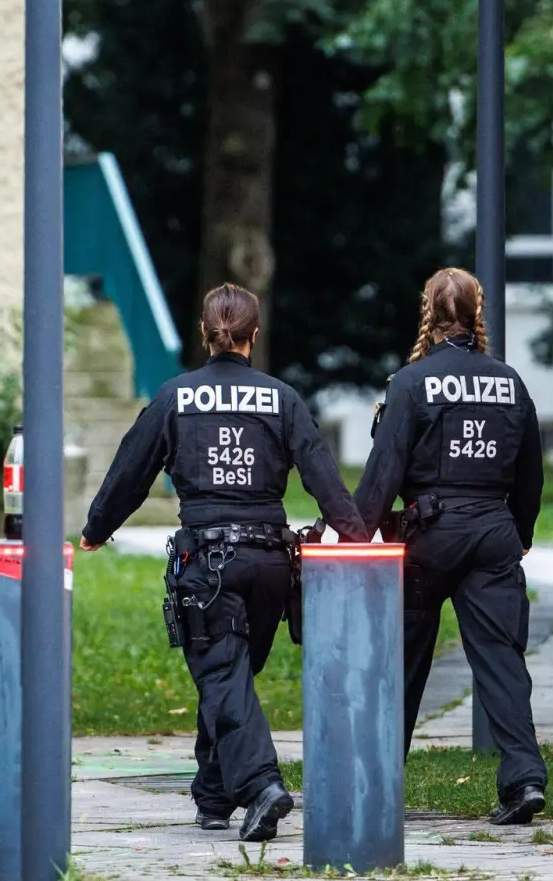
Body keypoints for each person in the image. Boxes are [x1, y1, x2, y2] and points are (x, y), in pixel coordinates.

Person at [79, 283, 369, 842]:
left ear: (204, 334)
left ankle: (261, 785)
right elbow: (322, 477)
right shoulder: (281, 398)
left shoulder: (175, 397)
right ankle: (212, 798)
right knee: (229, 676)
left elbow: (130, 471)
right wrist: (359, 535)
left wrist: (97, 529)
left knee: (222, 676)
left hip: (208, 568)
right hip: (270, 566)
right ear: (253, 336)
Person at [354, 267, 549, 825]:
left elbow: (383, 472)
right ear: (476, 311)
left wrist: (354, 534)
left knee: (403, 659)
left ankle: (378, 779)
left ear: (430, 313)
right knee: (501, 660)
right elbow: (530, 473)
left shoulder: (410, 383)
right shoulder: (510, 382)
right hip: (493, 535)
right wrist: (521, 534)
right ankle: (524, 780)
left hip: (426, 538)